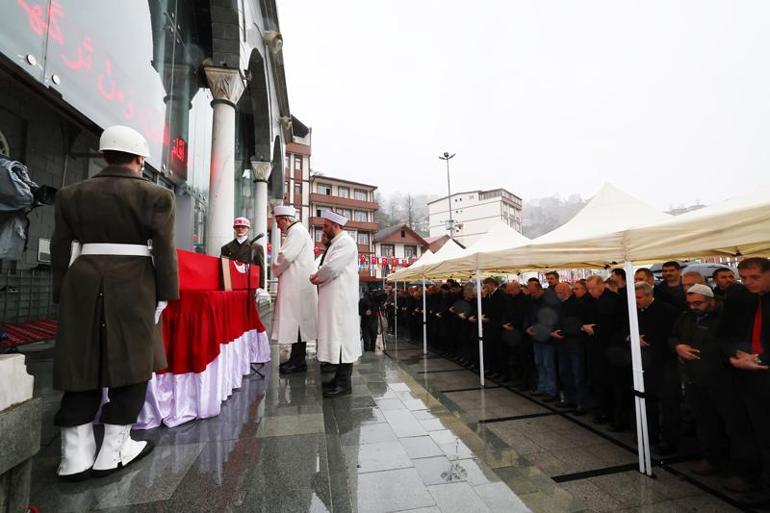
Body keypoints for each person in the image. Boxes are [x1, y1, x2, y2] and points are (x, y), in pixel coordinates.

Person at [50, 125, 179, 480]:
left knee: (80, 360)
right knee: (133, 359)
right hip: (134, 280)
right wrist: (167, 294)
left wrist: (62, 291)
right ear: (140, 159)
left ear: (103, 155)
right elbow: (165, 253)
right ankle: (114, 449)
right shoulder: (157, 196)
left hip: (83, 278)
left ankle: (73, 455)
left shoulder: (70, 194)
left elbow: (60, 247)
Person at [670, 283, 757, 492]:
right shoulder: (686, 317)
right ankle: (711, 459)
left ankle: (743, 472)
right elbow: (673, 336)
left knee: (735, 427)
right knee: (705, 423)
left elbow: (730, 345)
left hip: (724, 381)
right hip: (695, 380)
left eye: (698, 303)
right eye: (690, 303)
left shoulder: (726, 318)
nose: (694, 307)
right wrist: (677, 346)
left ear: (711, 300)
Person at [722, 257, 770, 505]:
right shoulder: (744, 299)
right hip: (747, 375)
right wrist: (736, 356)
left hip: (762, 370)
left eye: (755, 277)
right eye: (744, 278)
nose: (748, 282)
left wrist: (761, 359)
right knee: (756, 433)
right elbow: (728, 332)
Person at [310, 210, 361, 398]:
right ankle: (338, 379)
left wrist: (316, 277)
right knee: (336, 338)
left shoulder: (346, 243)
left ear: (335, 226)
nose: (323, 229)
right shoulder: (336, 243)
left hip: (340, 301)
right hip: (333, 299)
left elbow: (331, 268)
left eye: (325, 226)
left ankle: (344, 384)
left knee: (343, 340)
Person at [271, 205, 318, 375]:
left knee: (298, 324)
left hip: (297, 285)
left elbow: (285, 256)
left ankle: (298, 362)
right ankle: (296, 360)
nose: (277, 226)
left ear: (285, 219)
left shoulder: (296, 231)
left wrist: (274, 268)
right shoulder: (297, 231)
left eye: (278, 221)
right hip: (297, 284)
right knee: (297, 324)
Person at [634, 282, 680, 454]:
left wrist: (648, 342)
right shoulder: (635, 310)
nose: (637, 301)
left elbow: (670, 335)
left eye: (639, 298)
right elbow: (625, 328)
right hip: (643, 364)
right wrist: (631, 337)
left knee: (668, 403)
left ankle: (669, 440)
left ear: (649, 295)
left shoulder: (667, 310)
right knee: (647, 399)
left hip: (664, 362)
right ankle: (650, 434)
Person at [359, 286, 381, 352]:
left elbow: (381, 308)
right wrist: (365, 313)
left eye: (375, 291)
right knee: (366, 339)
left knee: (374, 337)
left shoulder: (377, 300)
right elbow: (358, 310)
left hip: (374, 321)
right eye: (373, 291)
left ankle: (373, 350)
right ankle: (367, 351)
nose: (374, 293)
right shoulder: (363, 300)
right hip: (365, 322)